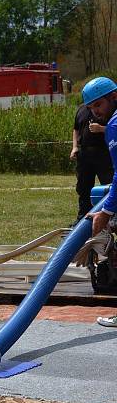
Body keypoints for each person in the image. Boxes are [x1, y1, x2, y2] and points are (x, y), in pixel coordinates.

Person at [76, 77, 117, 327]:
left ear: (114, 97)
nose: (95, 112)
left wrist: (105, 210)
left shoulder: (114, 125)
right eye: (90, 108)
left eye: (98, 104)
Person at [71, 98, 113, 223]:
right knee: (83, 188)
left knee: (108, 187)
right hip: (84, 153)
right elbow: (76, 129)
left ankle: (110, 218)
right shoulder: (81, 109)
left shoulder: (109, 109)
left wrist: (101, 128)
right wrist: (74, 147)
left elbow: (113, 128)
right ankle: (82, 219)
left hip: (103, 153)